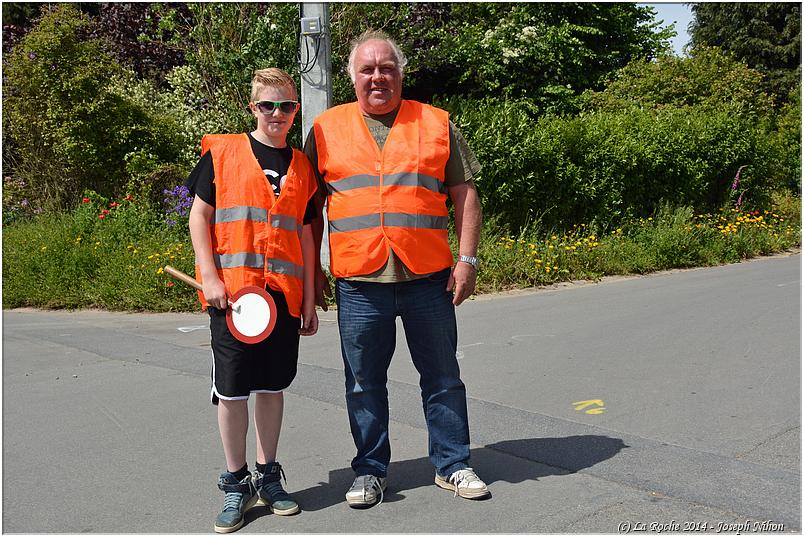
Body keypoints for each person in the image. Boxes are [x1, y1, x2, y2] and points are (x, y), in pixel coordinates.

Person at [305, 30, 489, 507]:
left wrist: (467, 260)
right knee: (363, 383)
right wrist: (312, 273)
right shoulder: (325, 129)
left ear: (401, 73)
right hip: (359, 281)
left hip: (429, 277)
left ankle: (453, 463)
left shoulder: (435, 122)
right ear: (351, 77)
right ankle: (370, 470)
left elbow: (466, 195)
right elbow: (308, 208)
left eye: (386, 67)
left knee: (443, 376)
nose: (377, 77)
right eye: (367, 69)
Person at [186, 68, 319, 533]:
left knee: (272, 386)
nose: (277, 114)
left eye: (286, 106)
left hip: (281, 299)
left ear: (295, 110)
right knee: (233, 390)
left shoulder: (302, 166)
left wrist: (309, 296)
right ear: (253, 109)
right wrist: (210, 276)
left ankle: (268, 475)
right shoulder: (222, 155)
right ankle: (236, 483)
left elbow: (304, 234)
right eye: (268, 105)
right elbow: (199, 218)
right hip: (233, 298)